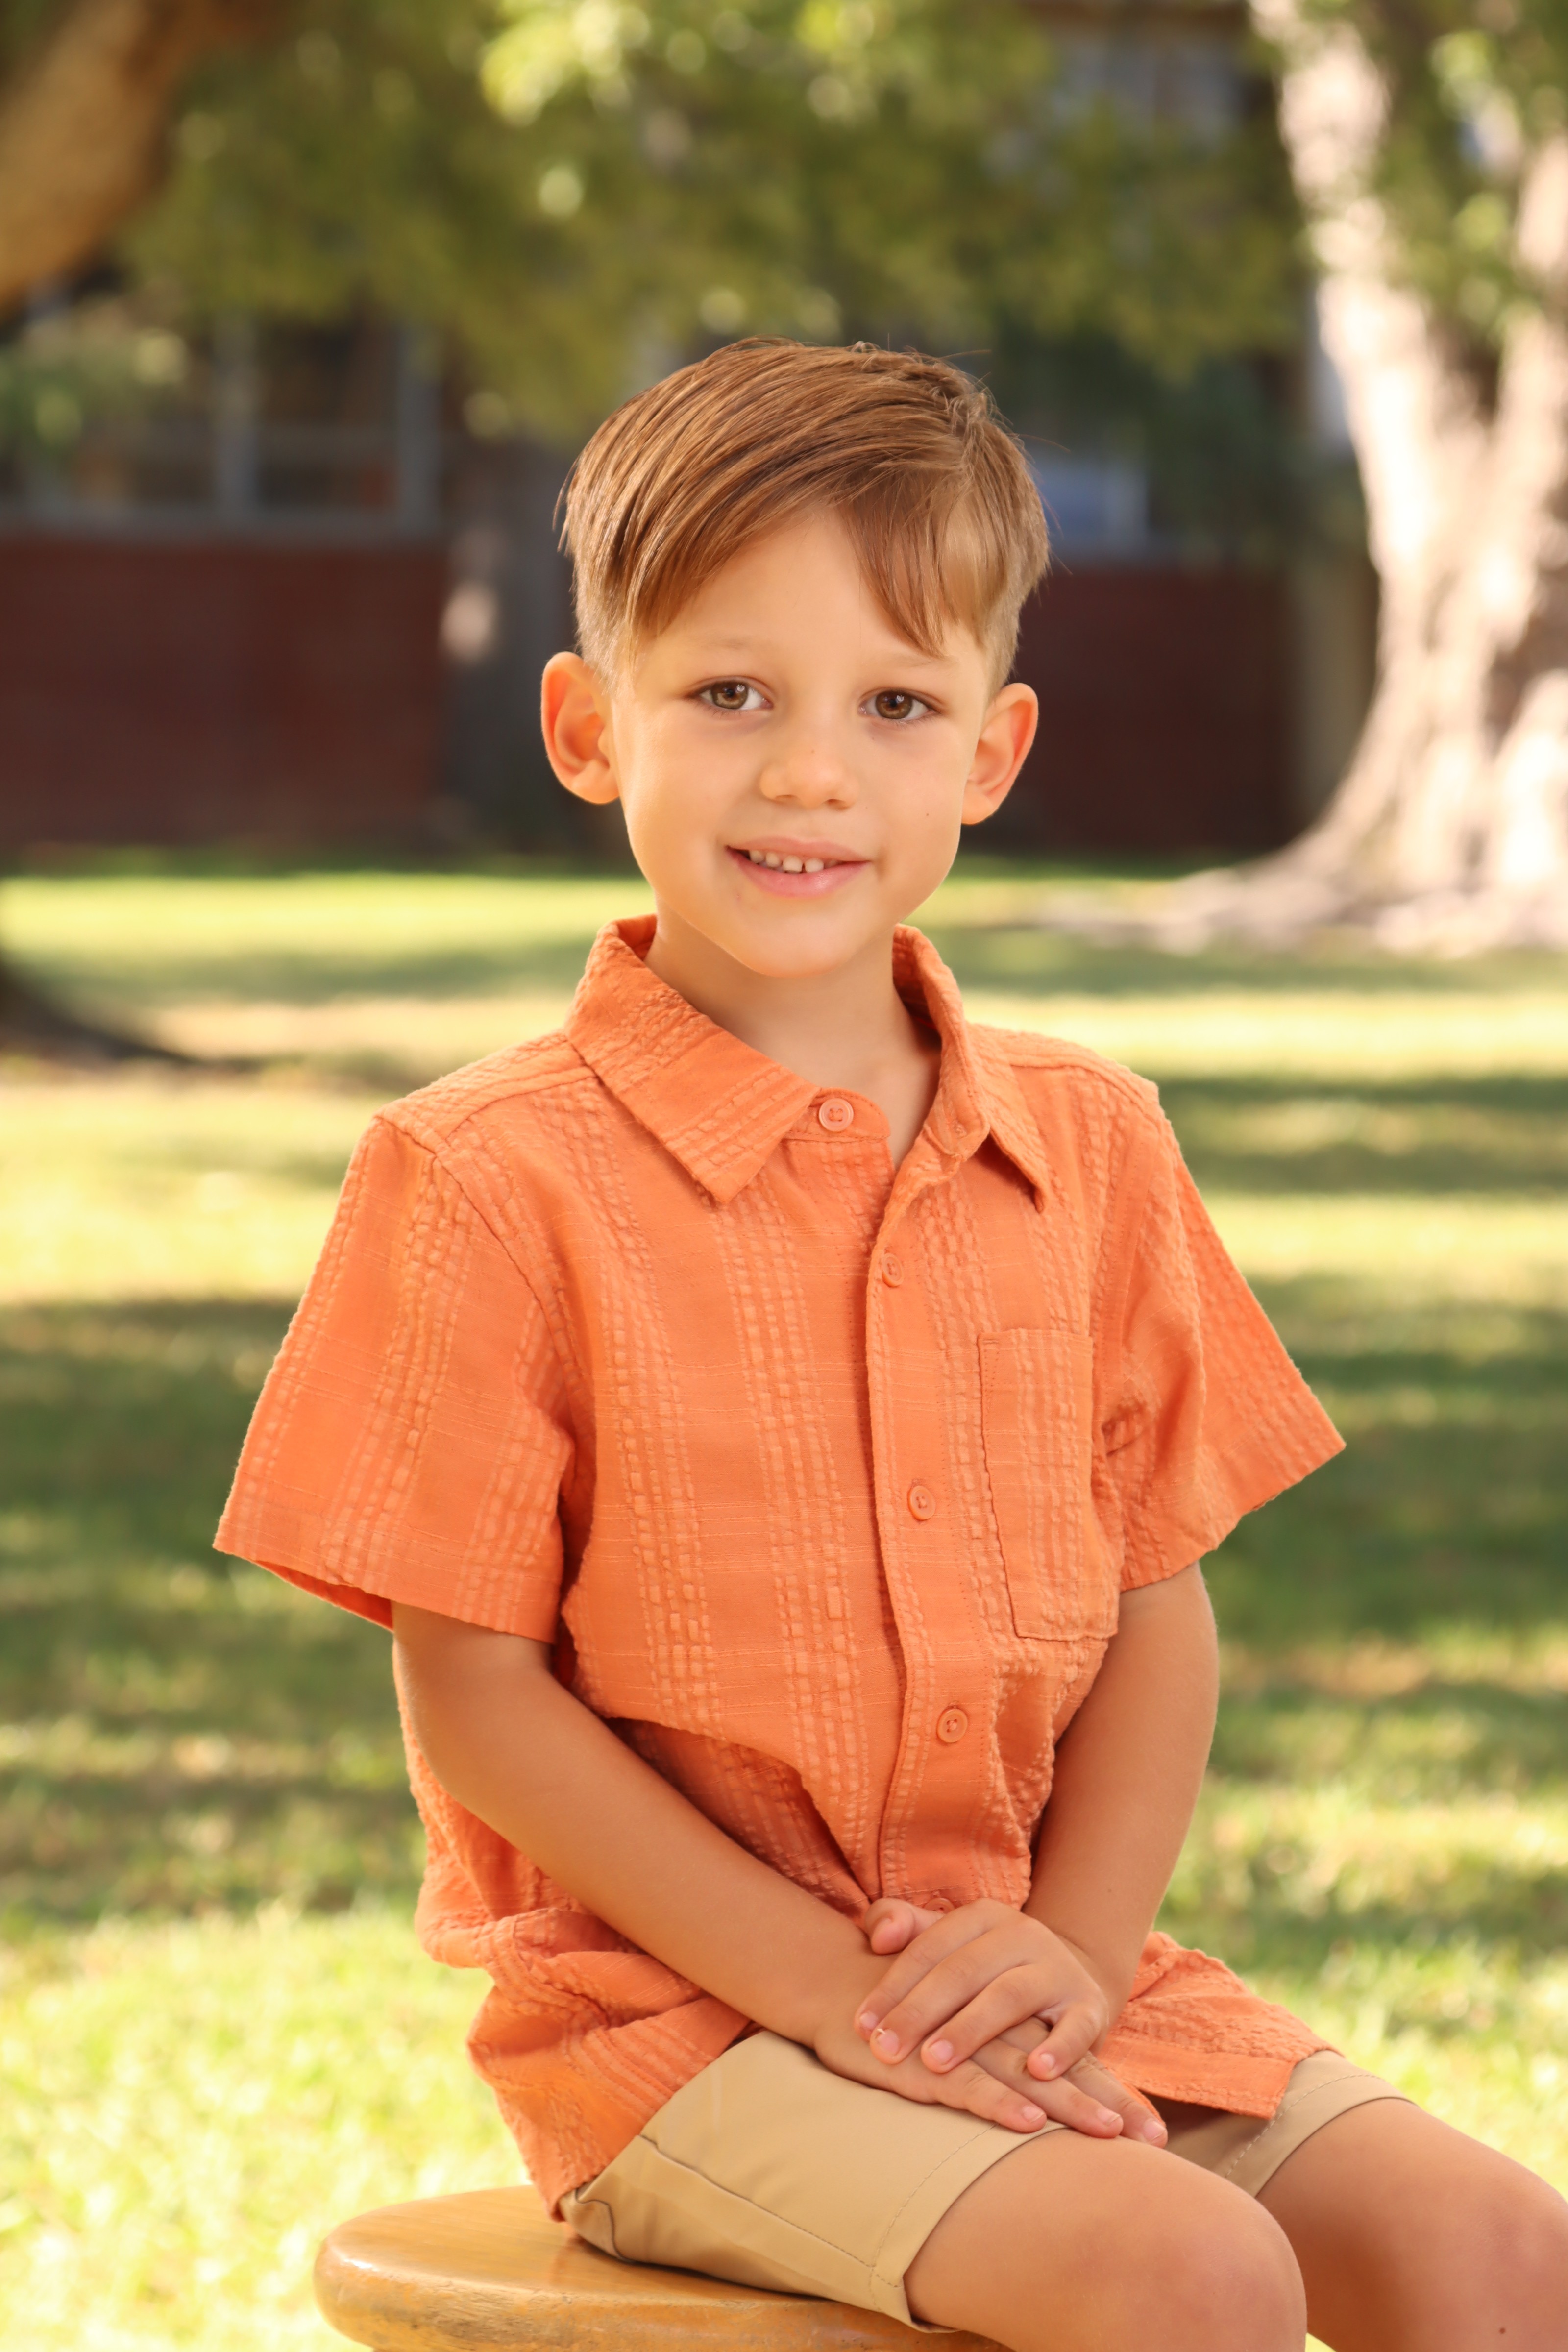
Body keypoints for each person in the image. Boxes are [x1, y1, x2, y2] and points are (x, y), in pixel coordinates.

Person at [218, 340, 1568, 2352]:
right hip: (679, 2030)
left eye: (895, 704)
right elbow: (477, 1699)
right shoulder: (484, 1176)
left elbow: (1158, 1617)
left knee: (1499, 2252)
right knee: (1187, 2274)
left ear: (990, 754)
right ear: (588, 727)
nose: (809, 773)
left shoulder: (1090, 1143)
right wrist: (832, 1989)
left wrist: (1070, 1958)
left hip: (1040, 1974)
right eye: (729, 694)